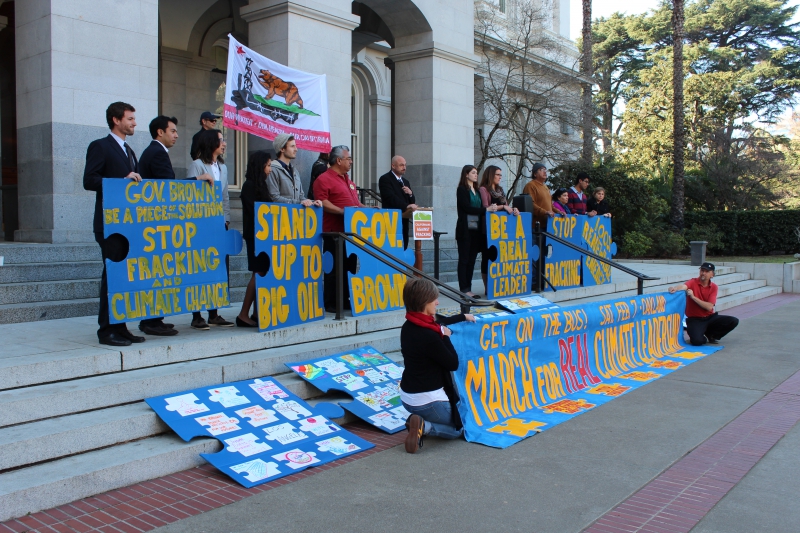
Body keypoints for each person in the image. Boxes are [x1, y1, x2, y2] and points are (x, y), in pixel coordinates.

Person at [83, 102, 146, 347]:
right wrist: (121, 181)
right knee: (112, 277)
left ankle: (121, 327)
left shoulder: (129, 150)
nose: (134, 123)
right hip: (109, 225)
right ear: (115, 120)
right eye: (130, 118)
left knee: (124, 278)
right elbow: (89, 180)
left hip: (128, 226)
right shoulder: (100, 146)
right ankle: (106, 330)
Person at [400, 278, 476, 454]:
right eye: (434, 299)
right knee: (461, 426)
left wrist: (463, 317)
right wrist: (447, 338)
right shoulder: (430, 336)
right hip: (427, 401)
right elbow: (453, 363)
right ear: (423, 302)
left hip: (407, 397)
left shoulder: (409, 325)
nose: (437, 302)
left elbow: (439, 325)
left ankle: (415, 421)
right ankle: (425, 426)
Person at [136, 115, 181, 337]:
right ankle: (151, 320)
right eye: (172, 131)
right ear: (160, 132)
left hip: (153, 223)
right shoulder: (156, 153)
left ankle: (154, 318)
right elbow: (168, 188)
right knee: (156, 271)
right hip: (155, 224)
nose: (176, 135)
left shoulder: (154, 152)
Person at [187, 129, 234, 329]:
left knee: (217, 267)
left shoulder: (223, 168)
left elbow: (225, 197)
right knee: (198, 268)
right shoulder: (197, 165)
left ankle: (214, 312)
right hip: (200, 225)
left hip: (218, 224)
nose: (224, 144)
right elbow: (188, 193)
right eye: (220, 140)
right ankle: (196, 315)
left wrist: (226, 220)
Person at [313, 145, 368, 312]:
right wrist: (341, 212)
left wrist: (369, 210)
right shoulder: (323, 179)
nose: (351, 161)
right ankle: (331, 302)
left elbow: (355, 204)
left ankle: (344, 299)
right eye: (348, 158)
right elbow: (323, 201)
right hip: (333, 232)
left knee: (349, 266)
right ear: (338, 160)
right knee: (334, 268)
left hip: (350, 232)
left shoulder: (348, 180)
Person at [236, 151, 273, 328]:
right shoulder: (249, 186)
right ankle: (243, 314)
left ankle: (257, 313)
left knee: (262, 273)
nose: (270, 170)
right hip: (256, 237)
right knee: (258, 273)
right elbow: (256, 211)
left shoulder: (262, 185)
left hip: (263, 236)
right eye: (268, 165)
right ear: (259, 166)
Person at [668, 262, 739, 346]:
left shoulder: (714, 287)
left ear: (712, 274)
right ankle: (701, 332)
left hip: (710, 317)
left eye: (706, 271)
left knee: (733, 321)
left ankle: (712, 335)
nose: (703, 273)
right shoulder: (693, 282)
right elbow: (683, 286)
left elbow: (709, 307)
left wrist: (693, 297)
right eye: (702, 270)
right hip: (695, 319)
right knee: (697, 341)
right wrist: (675, 288)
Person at [456, 165, 499, 298]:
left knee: (472, 260)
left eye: (477, 173)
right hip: (465, 229)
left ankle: (469, 288)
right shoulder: (462, 189)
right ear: (466, 174)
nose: (476, 175)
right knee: (464, 259)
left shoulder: (476, 190)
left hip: (476, 229)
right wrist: (486, 210)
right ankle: (464, 288)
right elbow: (467, 207)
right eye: (473, 173)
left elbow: (480, 207)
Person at [478, 165, 519, 288]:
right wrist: (502, 207)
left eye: (501, 175)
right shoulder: (483, 189)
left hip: (502, 230)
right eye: (497, 174)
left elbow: (507, 206)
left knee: (499, 257)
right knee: (487, 257)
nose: (500, 177)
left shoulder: (500, 190)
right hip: (488, 229)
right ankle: (487, 287)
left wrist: (514, 209)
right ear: (491, 175)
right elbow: (486, 207)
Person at [267, 133, 321, 208]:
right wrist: (299, 202)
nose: (296, 149)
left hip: (294, 218)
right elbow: (274, 198)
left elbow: (301, 197)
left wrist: (312, 202)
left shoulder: (295, 171)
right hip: (280, 217)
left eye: (295, 146)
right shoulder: (272, 169)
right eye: (292, 146)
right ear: (282, 149)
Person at [378, 155, 418, 249]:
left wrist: (410, 194)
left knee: (404, 245)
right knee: (393, 249)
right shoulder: (385, 179)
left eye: (405, 165)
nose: (404, 167)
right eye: (401, 165)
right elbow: (390, 198)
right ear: (393, 165)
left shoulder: (405, 181)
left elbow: (412, 201)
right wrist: (406, 206)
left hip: (404, 220)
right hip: (391, 219)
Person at [522, 163, 554, 229]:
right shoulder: (531, 185)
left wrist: (560, 212)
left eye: (545, 169)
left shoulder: (546, 187)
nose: (545, 171)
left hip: (548, 224)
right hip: (536, 226)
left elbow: (550, 206)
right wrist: (545, 212)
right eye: (541, 169)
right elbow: (531, 204)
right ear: (535, 174)